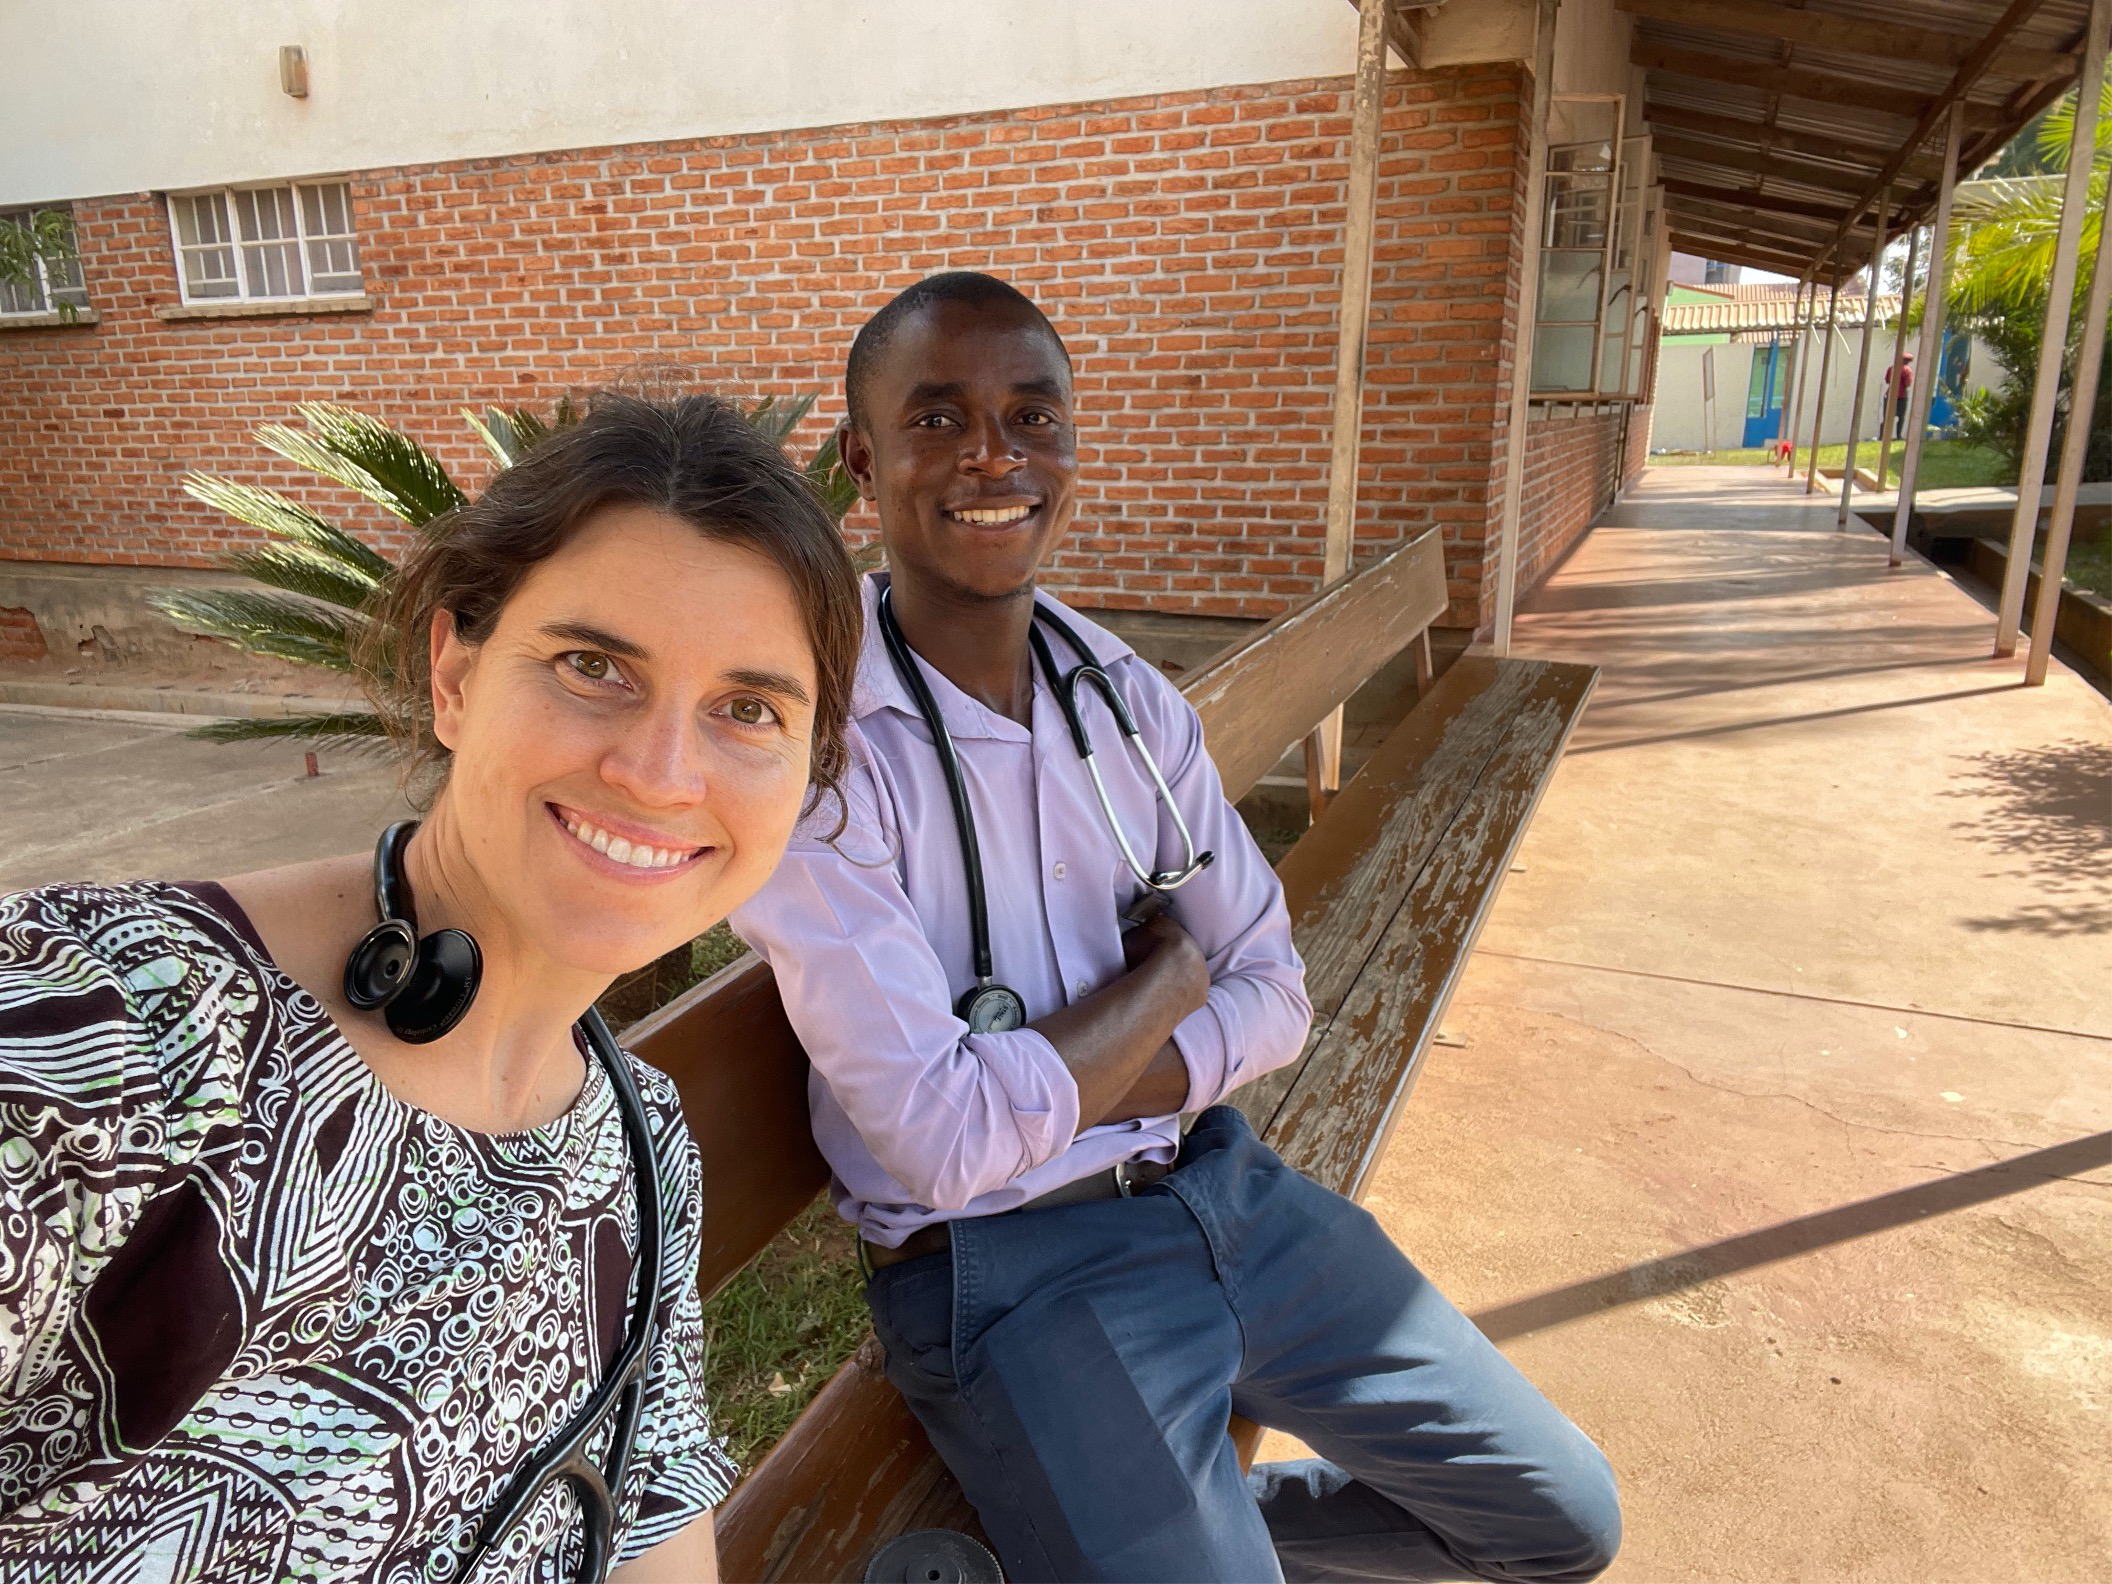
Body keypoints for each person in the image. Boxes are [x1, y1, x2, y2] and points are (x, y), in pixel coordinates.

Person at [730, 273, 1622, 1584]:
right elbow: (943, 1149)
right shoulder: (816, 756)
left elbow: (1278, 990)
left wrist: (1059, 1071)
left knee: (1561, 1520)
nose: (993, 455)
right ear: (863, 460)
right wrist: (1167, 984)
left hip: (1223, 1190)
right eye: (938, 420)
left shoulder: (1126, 704)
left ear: (1073, 447)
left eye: (1034, 417)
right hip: (1012, 1275)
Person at [0, 393, 863, 1581]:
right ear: (453, 675)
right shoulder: (105, 1030)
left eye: (749, 709)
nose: (661, 773)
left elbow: (654, 1510)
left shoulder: (637, 1141)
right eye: (592, 666)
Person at [1890, 353, 1915, 439]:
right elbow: (1908, 383)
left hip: (1890, 395)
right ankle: (1898, 435)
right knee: (1901, 417)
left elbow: (1887, 380)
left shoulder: (1892, 368)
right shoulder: (1907, 370)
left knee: (1887, 416)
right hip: (1902, 396)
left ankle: (1883, 435)